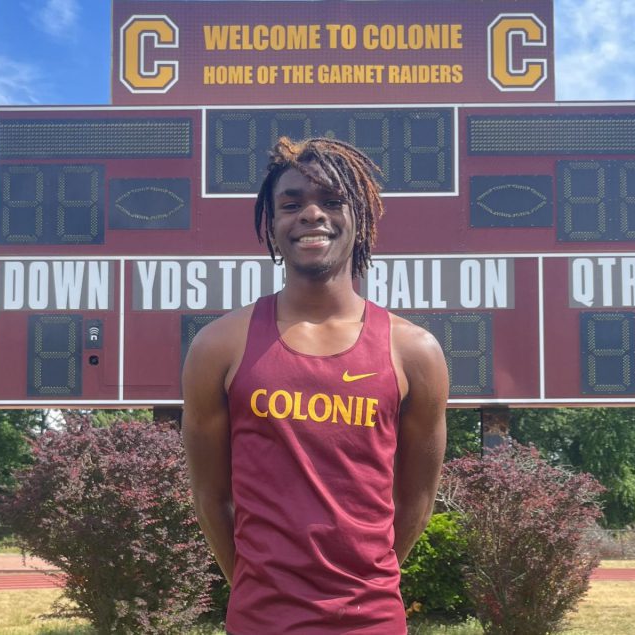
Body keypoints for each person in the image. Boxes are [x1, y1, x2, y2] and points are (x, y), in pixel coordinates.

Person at [181, 137, 448, 634]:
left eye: (330, 201)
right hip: (261, 619)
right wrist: (253, 585)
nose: (310, 214)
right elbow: (210, 496)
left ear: (360, 216)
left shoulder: (416, 352)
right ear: (272, 223)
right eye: (291, 204)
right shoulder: (218, 347)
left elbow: (417, 499)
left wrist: (368, 578)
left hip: (372, 619)